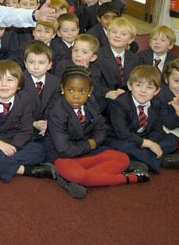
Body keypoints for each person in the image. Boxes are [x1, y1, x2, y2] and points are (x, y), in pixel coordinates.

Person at [49, 66, 150, 200]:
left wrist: (92, 143)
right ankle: (127, 178)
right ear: (62, 89)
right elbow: (63, 149)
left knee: (123, 159)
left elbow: (101, 129)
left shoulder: (90, 102)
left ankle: (71, 180)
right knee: (78, 174)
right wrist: (91, 143)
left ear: (90, 91)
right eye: (71, 90)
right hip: (63, 155)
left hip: (86, 151)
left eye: (82, 91)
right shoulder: (57, 111)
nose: (76, 96)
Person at [0, 60, 56, 184]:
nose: (4, 84)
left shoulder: (24, 98)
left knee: (38, 151)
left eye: (10, 80)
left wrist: (14, 146)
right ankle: (27, 170)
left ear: (19, 84)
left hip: (12, 139)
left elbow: (26, 130)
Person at [107, 65, 179, 174]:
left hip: (143, 136)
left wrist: (151, 142)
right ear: (130, 85)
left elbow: (158, 129)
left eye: (149, 87)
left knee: (173, 140)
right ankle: (159, 161)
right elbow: (123, 134)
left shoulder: (156, 103)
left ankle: (140, 160)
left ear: (156, 91)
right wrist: (149, 144)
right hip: (120, 138)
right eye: (138, 85)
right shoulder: (120, 103)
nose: (143, 91)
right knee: (125, 147)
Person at [22, 41, 59, 138]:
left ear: (49, 65)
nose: (36, 67)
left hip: (47, 127)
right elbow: (17, 109)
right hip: (23, 127)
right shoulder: (18, 82)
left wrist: (47, 123)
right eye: (31, 62)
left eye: (41, 62)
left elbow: (54, 106)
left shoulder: (55, 82)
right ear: (25, 64)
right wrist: (33, 123)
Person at [96, 17, 138, 100]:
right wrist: (108, 93)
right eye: (114, 32)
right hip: (104, 98)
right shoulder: (98, 56)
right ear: (108, 35)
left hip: (126, 98)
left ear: (131, 39)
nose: (117, 36)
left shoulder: (134, 58)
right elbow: (94, 82)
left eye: (123, 34)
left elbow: (135, 81)